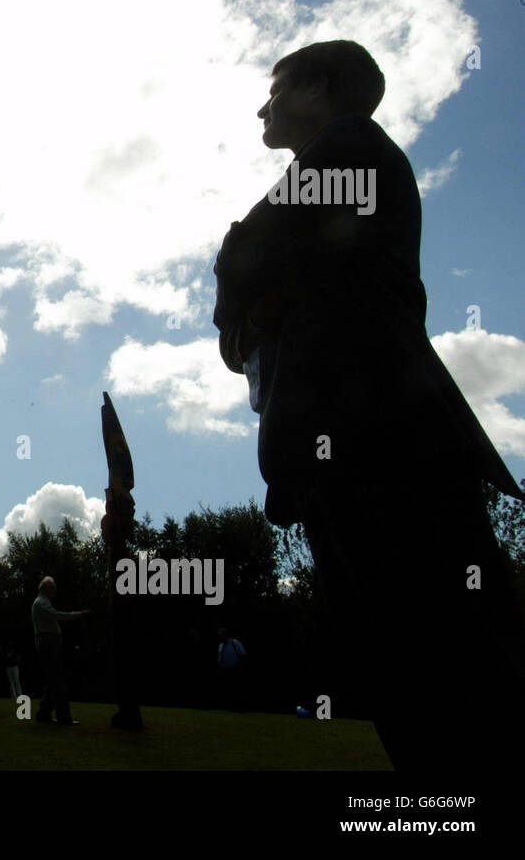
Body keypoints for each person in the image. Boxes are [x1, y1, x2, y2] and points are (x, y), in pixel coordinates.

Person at [213, 39, 525, 769]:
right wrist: (262, 309)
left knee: (439, 663)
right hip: (351, 451)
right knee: (409, 664)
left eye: (278, 86)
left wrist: (256, 299)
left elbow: (243, 257)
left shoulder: (350, 148)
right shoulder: (337, 169)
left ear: (320, 89)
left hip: (378, 446)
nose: (264, 104)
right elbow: (247, 307)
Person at [30, 576, 90, 724]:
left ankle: (44, 713)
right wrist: (79, 614)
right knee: (57, 680)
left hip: (49, 641)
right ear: (47, 589)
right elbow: (58, 616)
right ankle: (64, 717)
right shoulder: (41, 603)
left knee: (53, 680)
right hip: (48, 641)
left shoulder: (42, 602)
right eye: (53, 587)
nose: (55, 590)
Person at [216, 627, 247, 710]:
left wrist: (240, 666)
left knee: (234, 688)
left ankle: (236, 705)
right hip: (224, 669)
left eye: (222, 634)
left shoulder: (235, 642)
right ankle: (227, 705)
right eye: (220, 635)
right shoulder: (221, 645)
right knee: (226, 688)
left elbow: (243, 654)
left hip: (234, 669)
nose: (221, 636)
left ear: (226, 634)